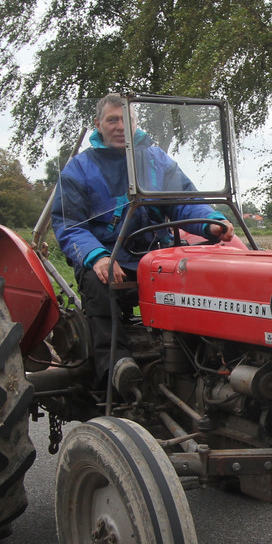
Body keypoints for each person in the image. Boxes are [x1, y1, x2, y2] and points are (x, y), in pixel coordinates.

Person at [51, 93, 236, 398]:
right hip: (108, 256)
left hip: (153, 254)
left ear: (136, 121)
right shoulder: (79, 169)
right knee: (100, 284)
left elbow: (184, 200)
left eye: (126, 119)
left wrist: (210, 222)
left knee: (197, 278)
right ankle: (116, 368)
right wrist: (97, 257)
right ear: (98, 124)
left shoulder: (155, 160)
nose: (120, 126)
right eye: (112, 120)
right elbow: (70, 225)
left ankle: (198, 365)